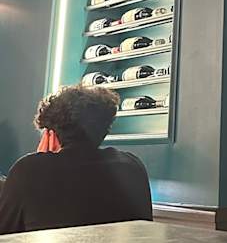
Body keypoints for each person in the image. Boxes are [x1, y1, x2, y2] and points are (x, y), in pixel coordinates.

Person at [0, 85, 152, 235]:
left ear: (50, 135)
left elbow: (4, 238)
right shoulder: (132, 166)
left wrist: (40, 161)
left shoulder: (28, 171)